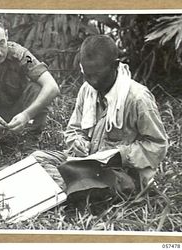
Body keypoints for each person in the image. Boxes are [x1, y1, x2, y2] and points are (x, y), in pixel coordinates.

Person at [31, 35, 168, 206]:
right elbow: (73, 130)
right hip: (86, 163)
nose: (93, 81)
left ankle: (65, 189)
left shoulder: (138, 98)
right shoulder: (87, 90)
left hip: (121, 173)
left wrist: (122, 155)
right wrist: (78, 142)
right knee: (37, 159)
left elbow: (158, 145)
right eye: (87, 74)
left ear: (115, 65)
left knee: (81, 178)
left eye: (97, 74)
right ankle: (71, 187)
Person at [0, 15, 60, 134]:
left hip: (18, 114)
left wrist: (27, 115)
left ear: (6, 35)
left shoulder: (23, 56)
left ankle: (30, 140)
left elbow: (52, 87)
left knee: (37, 89)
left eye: (1, 43)